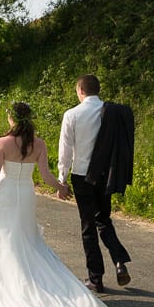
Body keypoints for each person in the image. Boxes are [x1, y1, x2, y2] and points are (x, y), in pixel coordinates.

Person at [0, 101, 118, 307]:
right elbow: (46, 176)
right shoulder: (38, 144)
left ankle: (13, 281)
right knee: (26, 238)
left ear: (12, 119)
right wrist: (61, 188)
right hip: (26, 194)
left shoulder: (3, 143)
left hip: (6, 194)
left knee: (7, 239)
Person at [58, 74, 132, 293]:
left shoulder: (72, 114)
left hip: (82, 176)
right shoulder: (110, 113)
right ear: (97, 90)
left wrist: (62, 178)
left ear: (80, 91)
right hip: (104, 175)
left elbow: (66, 149)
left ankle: (96, 278)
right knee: (104, 220)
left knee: (88, 226)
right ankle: (119, 261)